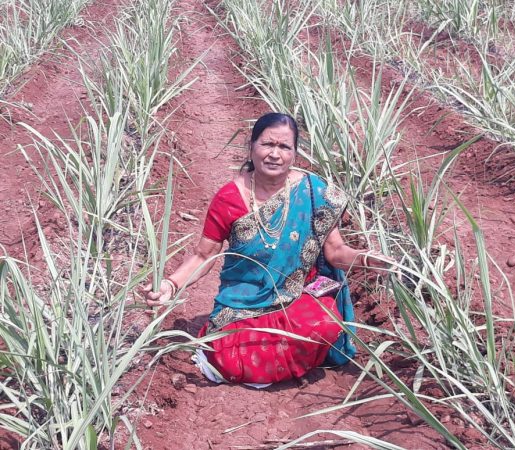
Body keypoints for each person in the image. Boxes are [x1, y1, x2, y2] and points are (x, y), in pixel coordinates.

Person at [144, 112, 392, 386]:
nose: (275, 154)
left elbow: (335, 252)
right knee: (230, 357)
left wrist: (368, 259)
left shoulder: (312, 191)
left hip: (297, 294)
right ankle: (282, 361)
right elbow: (205, 255)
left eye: (284, 147)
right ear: (251, 147)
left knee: (324, 324)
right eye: (267, 145)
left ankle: (286, 359)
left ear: (295, 153)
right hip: (245, 300)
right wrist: (171, 284)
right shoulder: (229, 198)